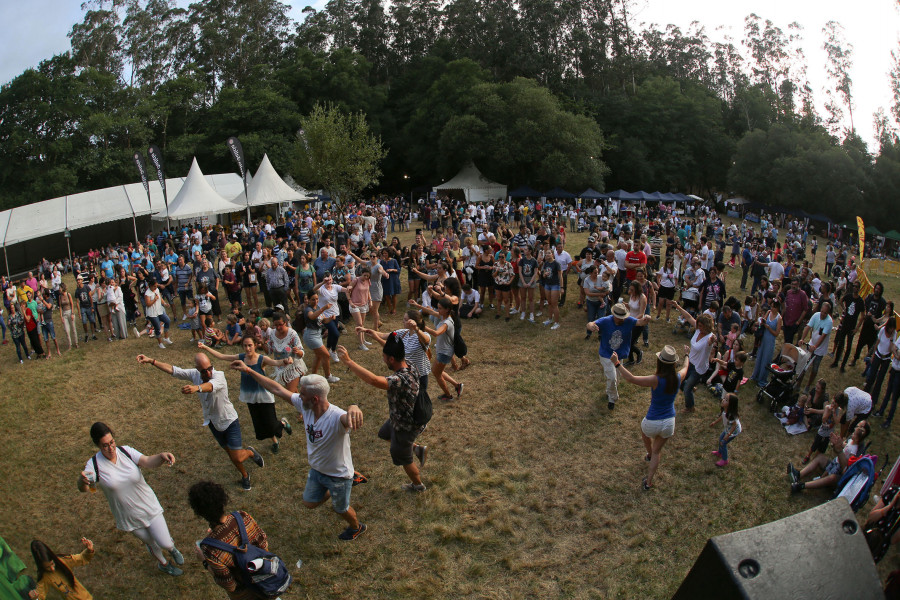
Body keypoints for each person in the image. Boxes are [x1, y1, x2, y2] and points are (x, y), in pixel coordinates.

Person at [230, 369, 368, 540]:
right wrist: (249, 371)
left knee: (340, 508)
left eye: (302, 394)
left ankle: (357, 527)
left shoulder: (336, 417)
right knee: (309, 503)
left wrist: (353, 407)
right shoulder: (306, 405)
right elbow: (277, 389)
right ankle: (345, 484)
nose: (298, 395)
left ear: (315, 399)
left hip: (338, 475)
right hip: (318, 470)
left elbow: (349, 418)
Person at [135, 353, 265, 491]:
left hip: (229, 421)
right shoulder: (194, 374)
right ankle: (245, 475)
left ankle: (250, 452)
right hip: (213, 423)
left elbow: (210, 386)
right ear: (197, 369)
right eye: (204, 371)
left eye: (210, 368)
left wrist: (196, 388)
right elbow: (173, 370)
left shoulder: (218, 375)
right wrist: (152, 361)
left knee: (238, 457)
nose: (208, 372)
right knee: (230, 454)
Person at [77, 422, 184, 576]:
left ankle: (171, 548)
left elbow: (147, 461)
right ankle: (164, 564)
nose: (111, 448)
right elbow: (85, 488)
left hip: (148, 506)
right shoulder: (93, 465)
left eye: (112, 442)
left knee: (164, 542)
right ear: (98, 446)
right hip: (128, 516)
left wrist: (161, 456)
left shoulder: (125, 451)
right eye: (105, 445)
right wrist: (82, 482)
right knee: (151, 543)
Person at [336, 333, 429, 492]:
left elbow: (373, 380)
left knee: (403, 458)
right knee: (384, 434)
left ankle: (418, 485)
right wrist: (377, 338)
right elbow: (392, 352)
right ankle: (416, 448)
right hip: (398, 418)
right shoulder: (411, 365)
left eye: (384, 357)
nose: (383, 359)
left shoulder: (399, 380)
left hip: (405, 425)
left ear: (391, 359)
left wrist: (349, 362)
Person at [189, 481, 288, 600]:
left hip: (245, 593)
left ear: (199, 512)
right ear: (223, 501)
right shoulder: (243, 517)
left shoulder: (210, 549)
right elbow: (263, 544)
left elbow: (229, 585)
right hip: (265, 579)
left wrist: (204, 561)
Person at [612, 344, 688, 491]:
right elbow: (686, 366)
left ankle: (648, 453)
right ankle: (649, 482)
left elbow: (631, 378)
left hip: (652, 421)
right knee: (657, 452)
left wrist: (616, 363)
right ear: (673, 364)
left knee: (645, 434)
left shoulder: (655, 380)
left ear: (660, 362)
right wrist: (687, 354)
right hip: (669, 423)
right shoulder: (678, 377)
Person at [199, 336, 293, 454]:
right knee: (260, 425)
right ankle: (275, 442)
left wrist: (285, 361)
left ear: (255, 345)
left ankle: (283, 423)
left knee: (271, 423)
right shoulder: (241, 358)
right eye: (245, 346)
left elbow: (275, 362)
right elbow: (221, 356)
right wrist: (205, 347)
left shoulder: (262, 359)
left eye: (250, 345)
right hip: (250, 398)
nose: (248, 348)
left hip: (264, 396)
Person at [586, 302, 651, 410]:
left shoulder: (629, 320)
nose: (622, 320)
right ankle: (612, 399)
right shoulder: (606, 320)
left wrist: (646, 319)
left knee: (616, 377)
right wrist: (591, 326)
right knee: (612, 377)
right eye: (619, 318)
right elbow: (590, 323)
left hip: (620, 354)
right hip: (606, 354)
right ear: (614, 316)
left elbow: (640, 322)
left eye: (623, 317)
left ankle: (609, 392)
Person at [788, 420, 870, 494]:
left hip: (841, 475)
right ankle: (798, 475)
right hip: (837, 462)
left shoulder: (859, 449)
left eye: (859, 426)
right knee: (820, 457)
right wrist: (835, 445)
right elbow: (840, 450)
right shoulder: (852, 438)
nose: (856, 427)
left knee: (832, 478)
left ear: (863, 432)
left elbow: (846, 470)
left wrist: (839, 450)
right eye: (857, 426)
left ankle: (800, 486)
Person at [669, 302, 716, 412]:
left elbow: (711, 341)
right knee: (679, 381)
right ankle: (692, 386)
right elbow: (688, 317)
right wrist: (678, 306)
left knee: (686, 389)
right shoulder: (699, 329)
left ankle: (690, 407)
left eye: (700, 326)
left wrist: (713, 340)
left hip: (699, 368)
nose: (698, 328)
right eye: (698, 325)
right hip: (690, 362)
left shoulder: (709, 337)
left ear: (707, 326)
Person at [28, 537, 95, 600]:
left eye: (52, 564)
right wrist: (35, 598)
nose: (52, 569)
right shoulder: (45, 577)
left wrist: (89, 550)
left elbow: (81, 558)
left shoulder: (62, 560)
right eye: (47, 567)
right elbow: (40, 596)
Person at [798, 302, 833, 391]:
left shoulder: (829, 322)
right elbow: (808, 327)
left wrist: (815, 347)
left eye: (825, 313)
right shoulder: (816, 315)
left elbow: (823, 336)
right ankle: (798, 383)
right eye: (822, 311)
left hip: (820, 350)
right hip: (811, 344)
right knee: (804, 365)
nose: (823, 314)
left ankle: (808, 385)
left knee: (815, 368)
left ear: (828, 313)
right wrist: (802, 338)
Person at [749, 300, 783, 387]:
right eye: (771, 306)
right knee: (760, 356)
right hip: (763, 338)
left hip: (770, 340)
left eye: (774, 307)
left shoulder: (779, 319)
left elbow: (776, 333)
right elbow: (763, 322)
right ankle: (755, 375)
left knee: (766, 359)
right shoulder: (768, 312)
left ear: (777, 308)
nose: (772, 308)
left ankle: (762, 378)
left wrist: (768, 327)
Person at [709, 394, 742, 467]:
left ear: (731, 404)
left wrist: (728, 435)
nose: (723, 400)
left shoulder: (731, 415)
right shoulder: (725, 410)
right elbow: (722, 416)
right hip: (728, 429)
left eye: (726, 400)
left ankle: (725, 460)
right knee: (721, 438)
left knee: (723, 443)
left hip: (733, 432)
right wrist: (715, 422)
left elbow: (734, 425)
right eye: (724, 398)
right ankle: (720, 452)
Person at [144, 279, 173, 350]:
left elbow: (160, 298)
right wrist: (154, 299)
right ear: (150, 286)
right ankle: (160, 343)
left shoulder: (156, 290)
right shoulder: (147, 293)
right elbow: (148, 304)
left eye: (156, 286)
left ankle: (166, 338)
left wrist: (165, 303)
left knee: (167, 321)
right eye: (154, 286)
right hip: (152, 313)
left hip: (159, 310)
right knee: (157, 327)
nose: (155, 287)